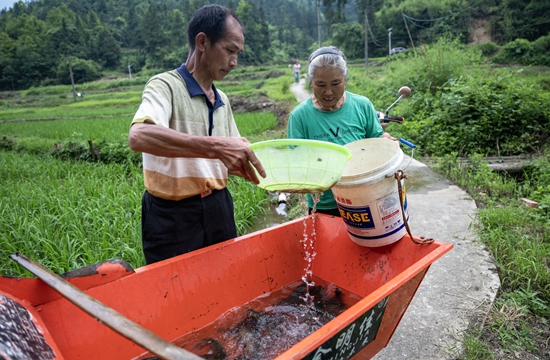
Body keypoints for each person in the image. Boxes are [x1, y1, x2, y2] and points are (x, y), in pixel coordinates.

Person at [128, 4, 266, 265]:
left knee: (224, 282)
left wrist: (287, 179)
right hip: (172, 215)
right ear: (203, 42)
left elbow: (235, 155)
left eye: (238, 54)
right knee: (175, 291)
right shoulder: (165, 86)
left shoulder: (222, 99)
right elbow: (140, 136)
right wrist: (214, 147)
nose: (234, 62)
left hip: (219, 207)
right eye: (229, 51)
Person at [287, 46, 394, 217]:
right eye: (320, 85)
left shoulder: (362, 105)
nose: (328, 92)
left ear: (344, 79)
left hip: (364, 199)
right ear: (311, 82)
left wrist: (385, 140)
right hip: (324, 206)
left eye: (336, 83)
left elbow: (376, 143)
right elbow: (296, 163)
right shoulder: (300, 117)